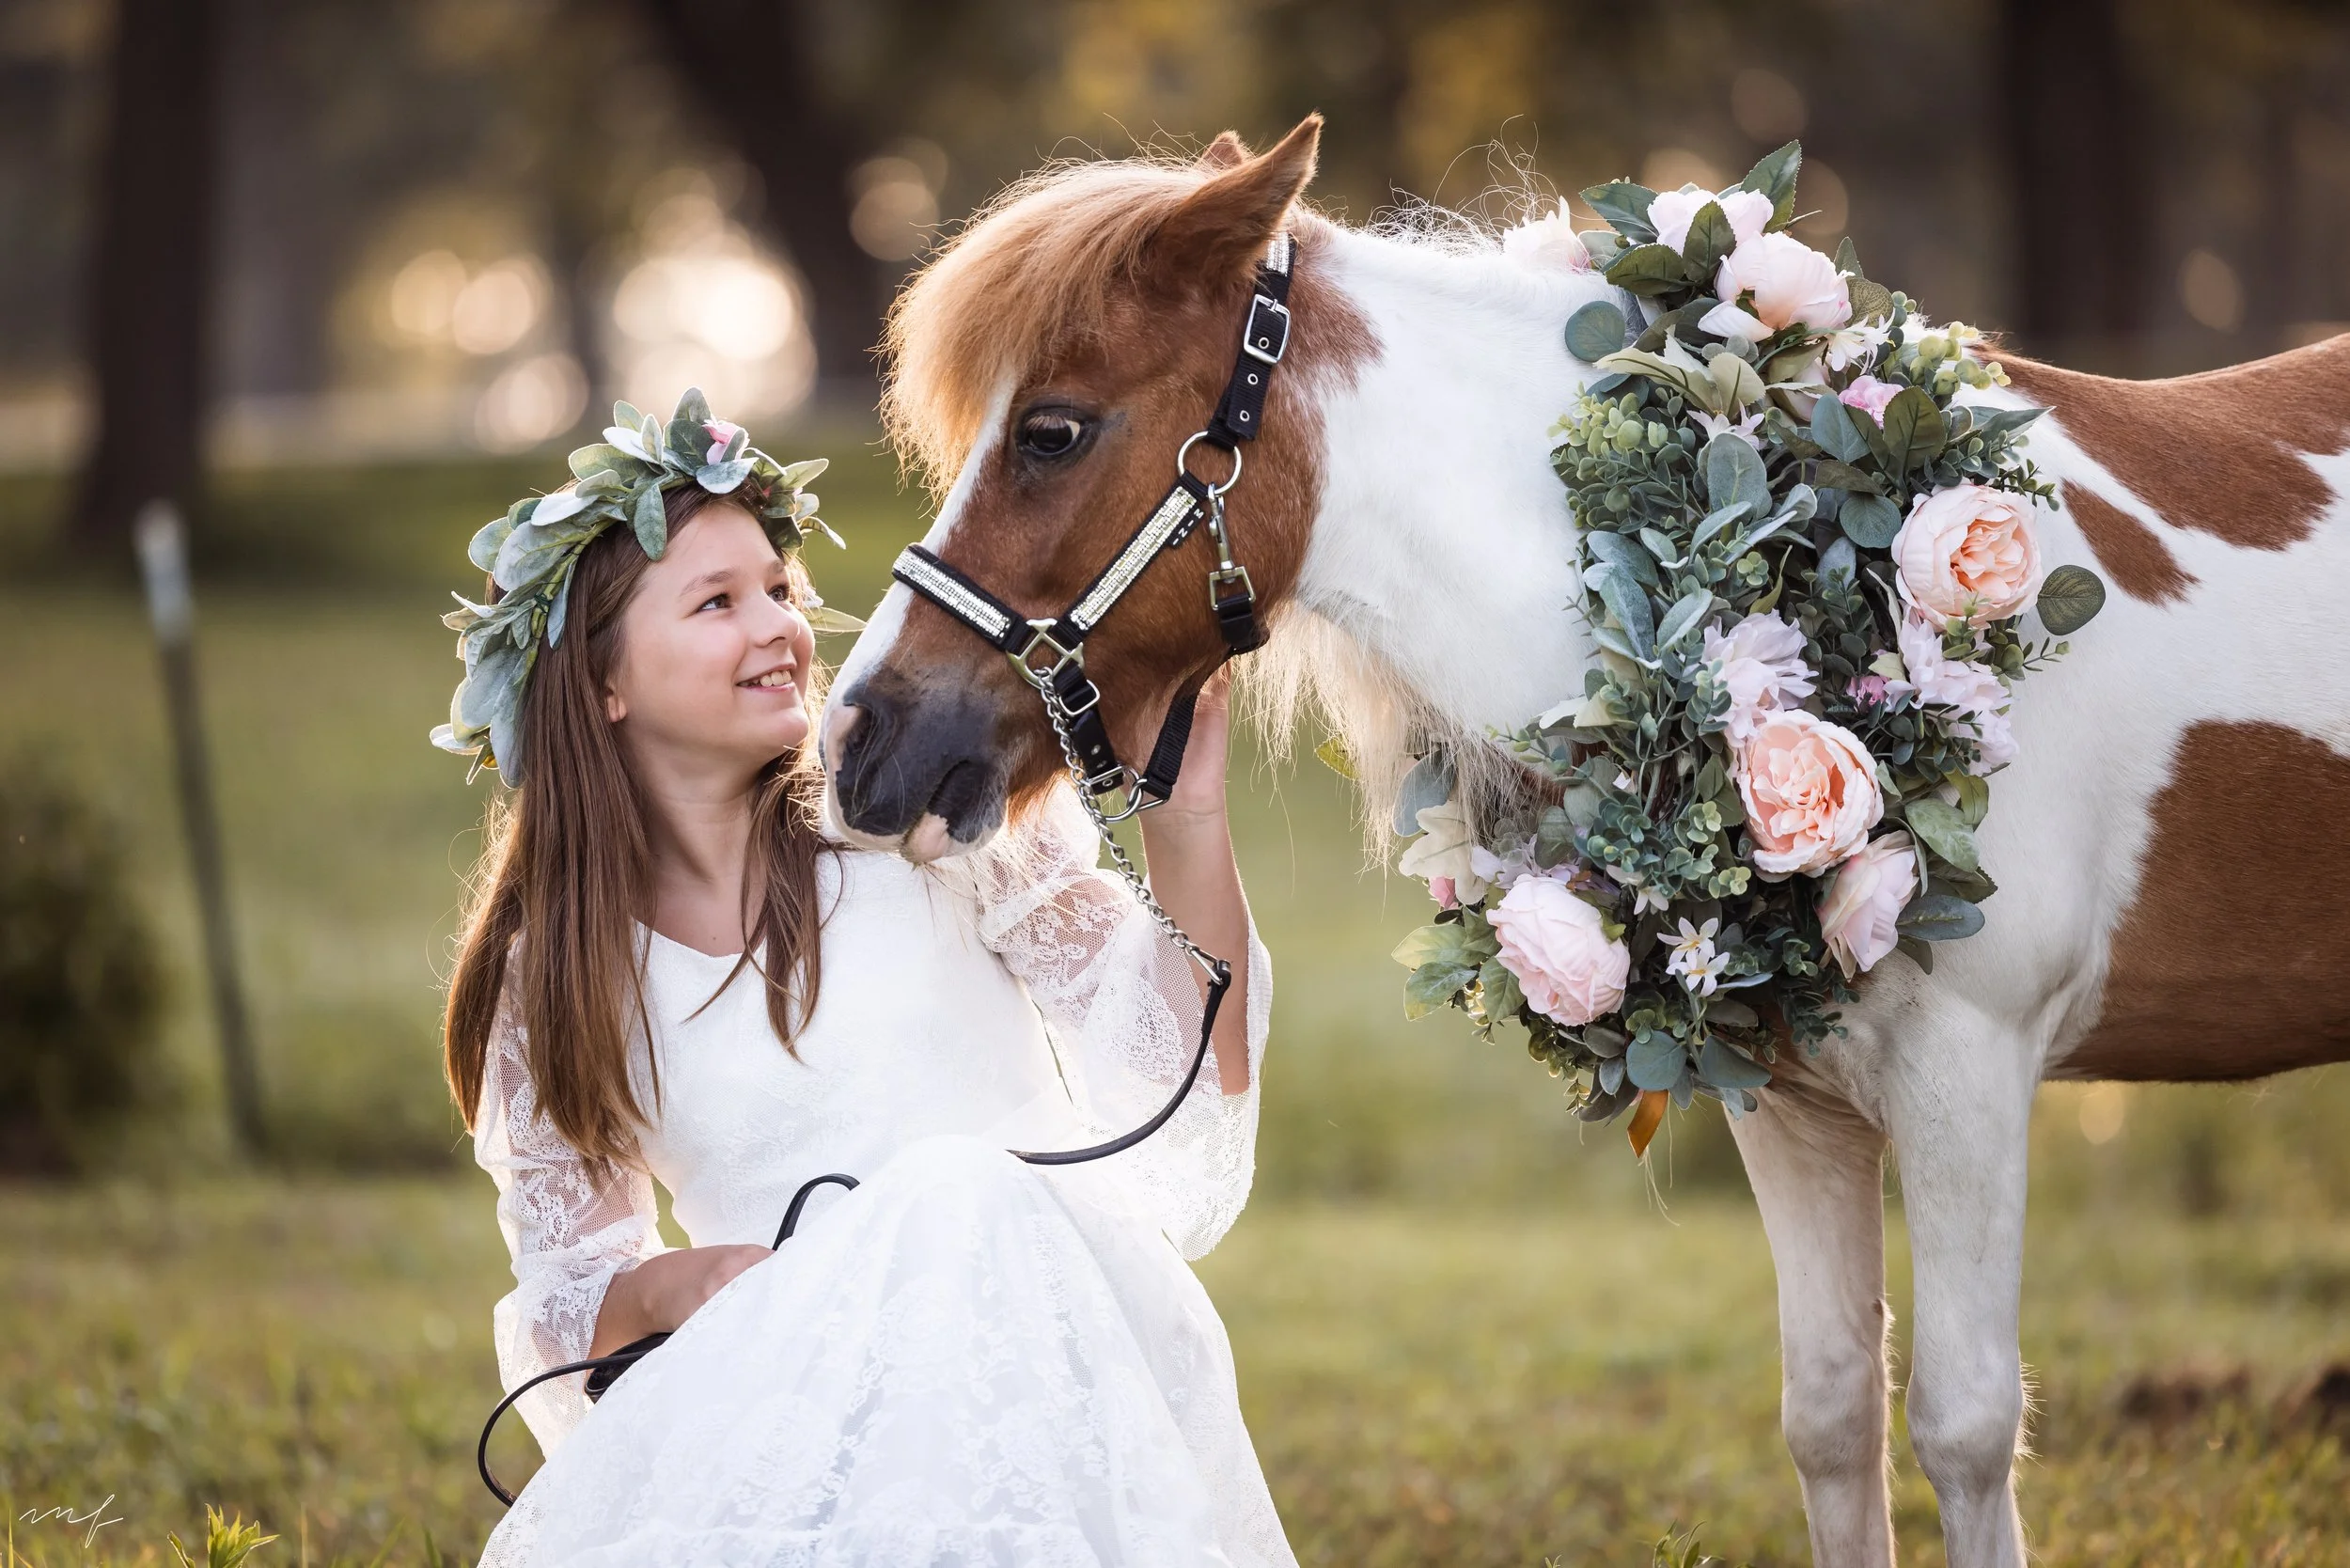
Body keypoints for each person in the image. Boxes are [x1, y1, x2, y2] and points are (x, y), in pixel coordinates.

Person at [436, 390, 1292, 1566]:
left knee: (954, 1189)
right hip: (802, 1403)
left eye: (780, 591)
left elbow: (1181, 1067)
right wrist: (673, 1288)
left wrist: (1185, 817)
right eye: (717, 602)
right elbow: (566, 1294)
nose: (780, 628)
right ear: (602, 687)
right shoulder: (561, 977)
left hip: (1046, 1358)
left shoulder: (917, 824)